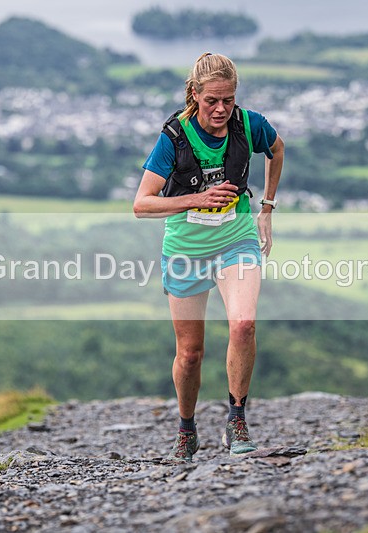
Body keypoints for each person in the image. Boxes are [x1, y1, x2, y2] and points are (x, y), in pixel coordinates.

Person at [133, 52, 284, 462]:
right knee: (191, 353)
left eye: (228, 100)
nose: (220, 110)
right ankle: (187, 428)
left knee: (244, 324)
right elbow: (141, 204)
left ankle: (237, 420)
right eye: (212, 101)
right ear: (194, 94)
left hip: (236, 241)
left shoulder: (249, 124)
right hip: (185, 250)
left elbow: (277, 149)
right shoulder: (174, 138)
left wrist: (267, 207)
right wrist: (196, 198)